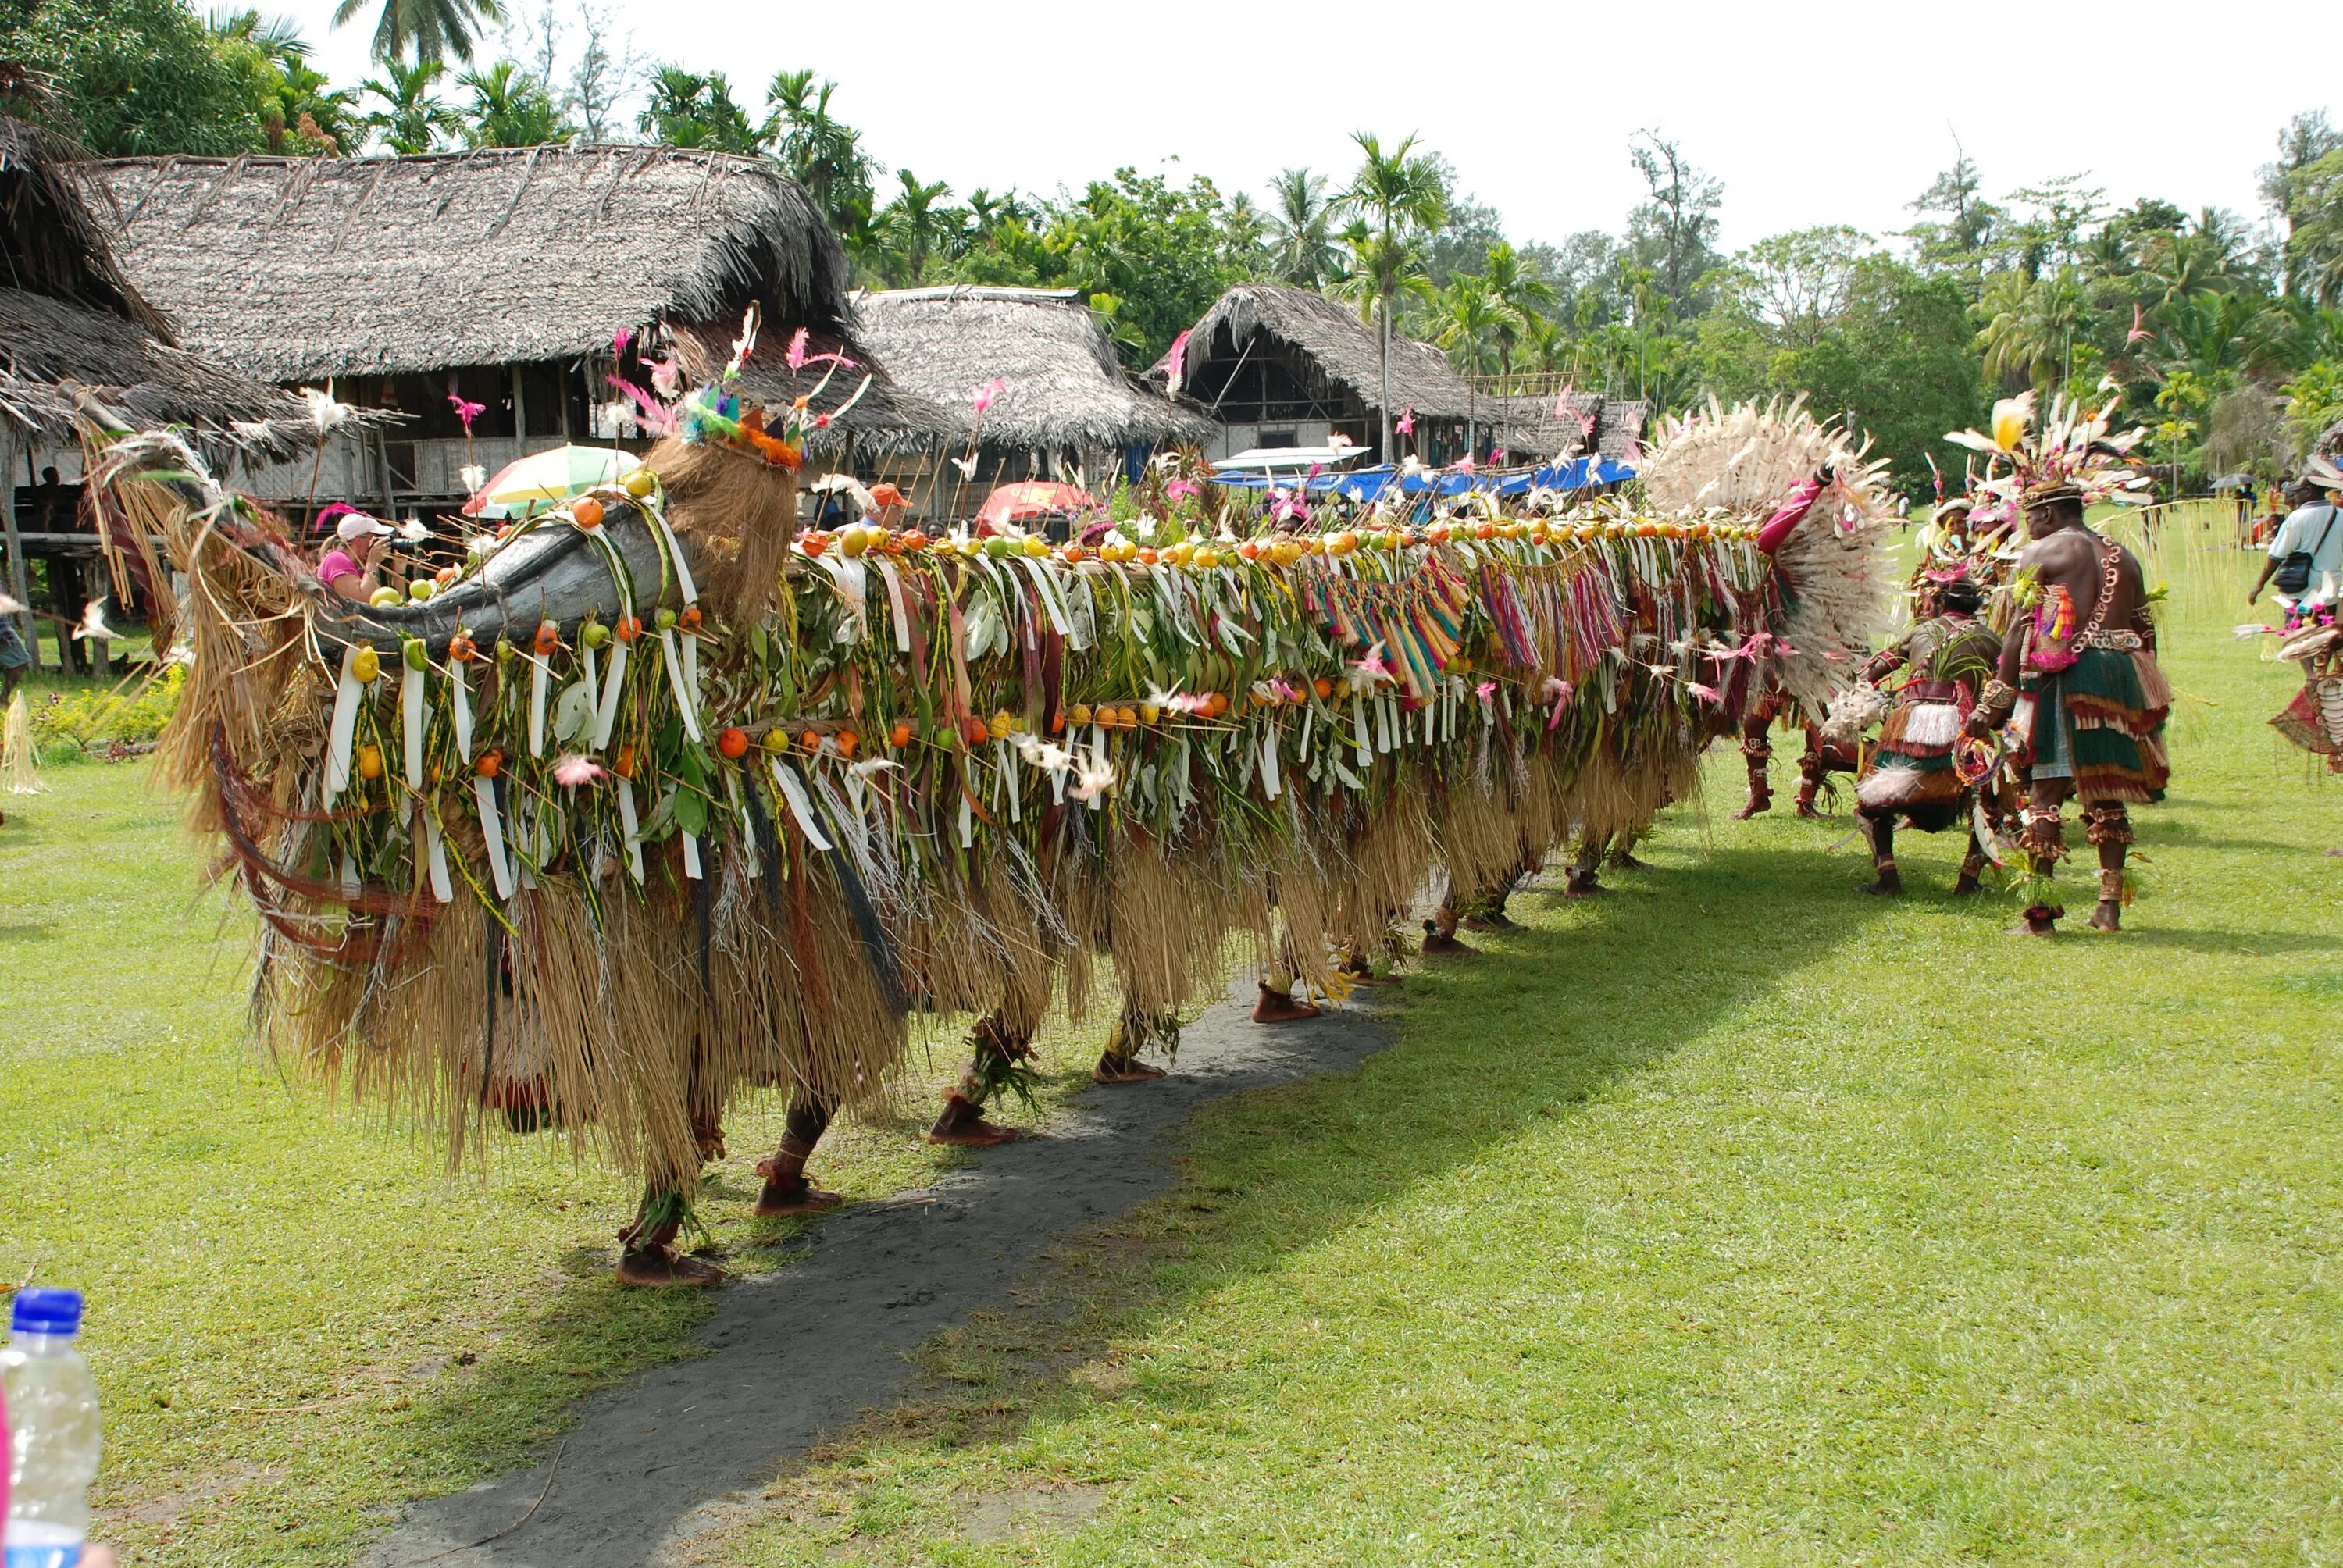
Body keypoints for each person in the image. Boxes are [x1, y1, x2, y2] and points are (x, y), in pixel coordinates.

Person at [1966, 480, 2170, 934]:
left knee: (2045, 793)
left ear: (2052, 514)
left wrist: (1995, 700)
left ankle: (2039, 917)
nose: (2029, 528)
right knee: (2106, 790)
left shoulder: (2044, 553)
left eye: (2031, 518)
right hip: (2120, 678)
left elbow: (2020, 628)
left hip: (2065, 677)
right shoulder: (2126, 558)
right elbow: (2145, 630)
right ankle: (2108, 908)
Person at [1849, 569, 2005, 895]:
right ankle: (1967, 881)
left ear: (1941, 602)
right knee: (1991, 801)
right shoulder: (1990, 639)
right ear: (1976, 606)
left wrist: (1881, 704)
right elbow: (2004, 688)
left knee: (1872, 799)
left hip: (1908, 721)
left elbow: (1869, 672)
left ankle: (1889, 878)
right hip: (1964, 726)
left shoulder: (1921, 631)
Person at [2248, 466, 2343, 620]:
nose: (2294, 495)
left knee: (2297, 638)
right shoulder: (2341, 515)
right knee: (2324, 638)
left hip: (2301, 591)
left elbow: (2276, 555)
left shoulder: (2297, 517)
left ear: (2309, 491)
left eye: (2297, 491)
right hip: (2329, 591)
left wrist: (2259, 585)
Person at [315, 508, 394, 602]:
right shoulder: (336, 559)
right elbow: (361, 602)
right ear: (359, 539)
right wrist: (372, 562)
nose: (379, 542)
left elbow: (393, 602)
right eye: (375, 538)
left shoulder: (359, 567)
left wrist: (400, 571)